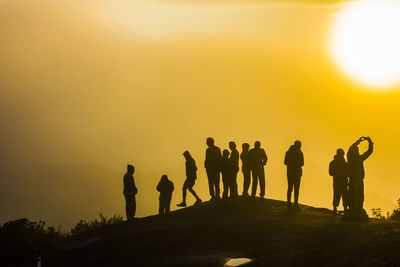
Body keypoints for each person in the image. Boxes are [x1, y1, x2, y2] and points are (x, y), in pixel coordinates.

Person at [347, 136, 373, 211]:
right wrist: (369, 142)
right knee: (359, 195)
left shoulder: (350, 159)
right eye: (357, 150)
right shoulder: (359, 159)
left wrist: (357, 142)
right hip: (358, 180)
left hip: (352, 180)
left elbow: (350, 149)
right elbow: (369, 151)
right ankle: (359, 209)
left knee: (352, 195)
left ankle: (352, 209)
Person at [284, 141, 304, 209]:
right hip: (296, 173)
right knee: (296, 189)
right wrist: (296, 165)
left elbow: (285, 162)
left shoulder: (288, 152)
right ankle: (295, 203)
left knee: (290, 188)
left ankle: (289, 202)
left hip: (290, 172)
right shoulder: (300, 153)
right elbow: (302, 163)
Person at [329, 149, 349, 214]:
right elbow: (331, 172)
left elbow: (331, 172)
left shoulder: (333, 162)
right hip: (341, 181)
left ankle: (336, 209)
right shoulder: (344, 163)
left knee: (338, 195)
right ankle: (343, 209)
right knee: (342, 195)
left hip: (338, 181)